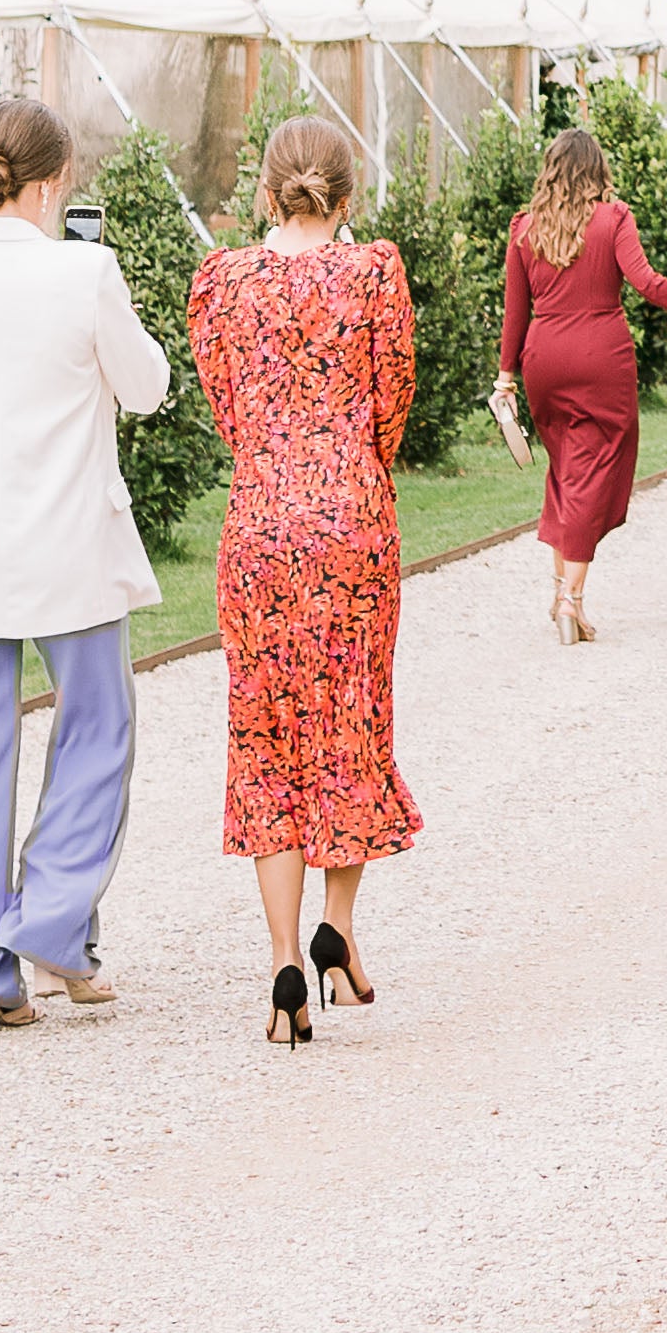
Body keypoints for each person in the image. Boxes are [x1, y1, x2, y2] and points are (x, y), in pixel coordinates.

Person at [0, 98, 173, 1038]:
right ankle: (52, 923)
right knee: (96, 732)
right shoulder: (86, 270)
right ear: (50, 185)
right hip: (70, 553)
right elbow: (147, 388)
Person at [191, 117, 420, 1050]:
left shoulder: (225, 280)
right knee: (348, 720)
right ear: (347, 192)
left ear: (267, 190)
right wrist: (349, 467)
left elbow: (223, 404)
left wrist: (274, 458)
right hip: (351, 519)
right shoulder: (373, 273)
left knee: (267, 728)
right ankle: (339, 926)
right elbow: (393, 396)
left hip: (259, 525)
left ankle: (285, 962)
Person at [497, 127, 667, 646]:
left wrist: (506, 376)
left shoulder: (525, 228)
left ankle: (561, 592)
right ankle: (571, 598)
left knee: (567, 468)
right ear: (597, 169)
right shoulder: (613, 218)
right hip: (601, 354)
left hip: (543, 357)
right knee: (598, 468)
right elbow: (647, 283)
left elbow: (515, 310)